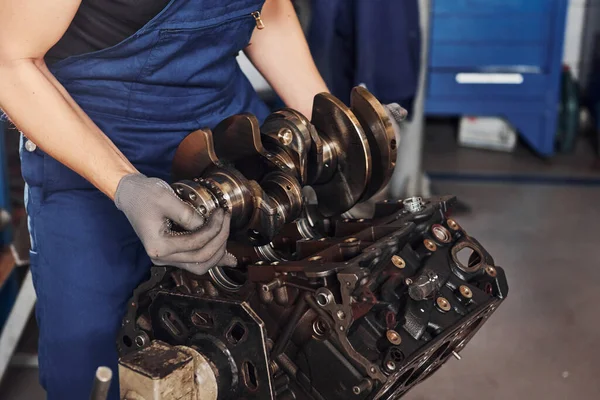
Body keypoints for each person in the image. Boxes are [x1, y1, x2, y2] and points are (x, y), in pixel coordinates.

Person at [0, 0, 329, 398]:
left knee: (265, 346)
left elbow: (267, 10)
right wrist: (125, 185)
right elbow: (10, 61)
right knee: (94, 369)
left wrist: (326, 124)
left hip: (223, 137)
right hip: (85, 150)